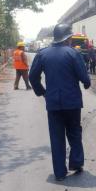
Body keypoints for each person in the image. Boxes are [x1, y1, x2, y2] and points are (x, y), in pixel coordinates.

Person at [29, 24, 91, 181]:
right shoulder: (73, 53)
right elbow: (83, 76)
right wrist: (86, 83)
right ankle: (76, 163)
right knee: (75, 133)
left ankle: (59, 173)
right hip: (72, 103)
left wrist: (42, 92)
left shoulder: (42, 54)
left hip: (53, 104)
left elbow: (32, 77)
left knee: (56, 137)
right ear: (68, 38)